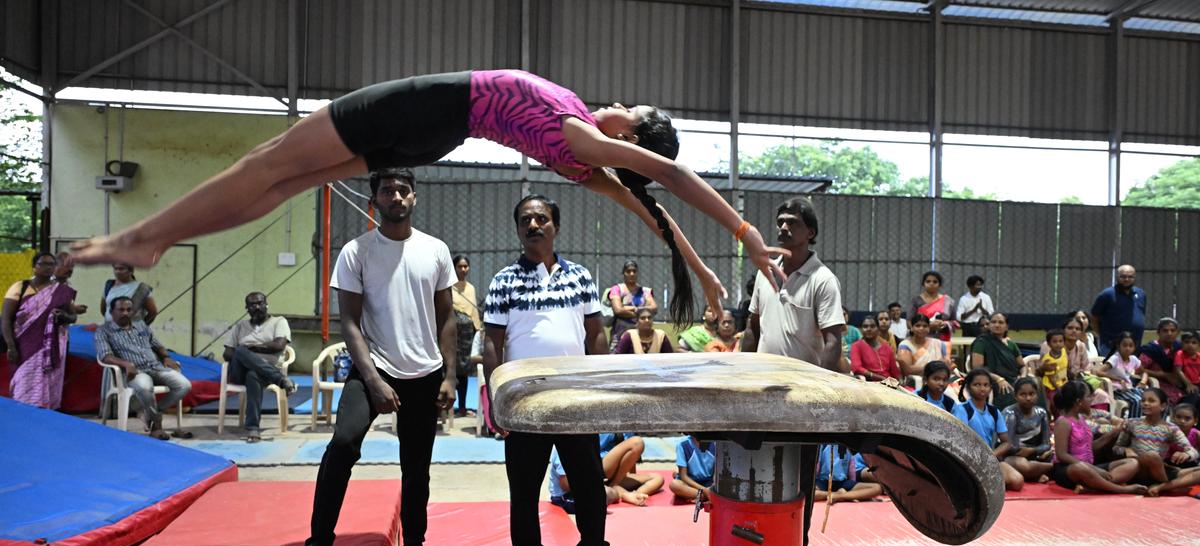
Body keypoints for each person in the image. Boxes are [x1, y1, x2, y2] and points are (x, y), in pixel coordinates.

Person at [68, 70, 790, 328]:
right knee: (289, 178)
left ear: (632, 137)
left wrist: (746, 231)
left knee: (271, 160)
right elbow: (663, 218)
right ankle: (155, 238)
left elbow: (670, 185)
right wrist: (708, 273)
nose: (617, 107)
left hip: (430, 107)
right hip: (434, 133)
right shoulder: (588, 166)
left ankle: (149, 233)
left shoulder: (586, 140)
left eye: (628, 114)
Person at [294, 168, 457, 546]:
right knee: (343, 444)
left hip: (425, 372)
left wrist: (449, 375)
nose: (396, 196)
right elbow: (348, 321)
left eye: (403, 190)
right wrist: (373, 380)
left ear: (414, 198)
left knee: (416, 466)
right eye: (387, 190)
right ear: (375, 201)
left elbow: (447, 318)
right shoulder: (357, 251)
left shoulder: (435, 250)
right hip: (373, 369)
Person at [482, 194, 620, 546]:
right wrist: (496, 399)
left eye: (542, 218)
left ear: (555, 226)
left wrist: (601, 387)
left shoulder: (580, 276)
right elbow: (493, 344)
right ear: (518, 228)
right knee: (523, 490)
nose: (534, 225)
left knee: (589, 486)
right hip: (525, 402)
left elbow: (596, 333)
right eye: (526, 219)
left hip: (575, 398)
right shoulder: (503, 281)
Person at [738, 196, 844, 546]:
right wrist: (739, 376)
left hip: (801, 394)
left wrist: (819, 391)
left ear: (810, 233)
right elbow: (751, 327)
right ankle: (754, 540)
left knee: (799, 474)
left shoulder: (823, 280)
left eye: (792, 223)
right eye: (780, 221)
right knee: (756, 466)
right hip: (761, 390)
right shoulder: (766, 272)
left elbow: (834, 340)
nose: (783, 228)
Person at [95, 296, 192, 439]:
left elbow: (158, 345)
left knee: (184, 385)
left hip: (156, 367)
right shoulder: (104, 331)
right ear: (111, 311)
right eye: (121, 310)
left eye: (129, 310)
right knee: (145, 388)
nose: (125, 313)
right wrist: (126, 364)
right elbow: (105, 356)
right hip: (135, 372)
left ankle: (151, 413)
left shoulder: (141, 325)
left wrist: (166, 357)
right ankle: (157, 426)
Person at [2, 251, 84, 409]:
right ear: (34, 267)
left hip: (51, 349)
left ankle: (43, 423)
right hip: (23, 347)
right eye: (43, 264)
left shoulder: (62, 291)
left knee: (46, 390)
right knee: (22, 387)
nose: (48, 268)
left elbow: (73, 317)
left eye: (51, 264)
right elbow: (6, 319)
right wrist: (10, 346)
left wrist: (64, 317)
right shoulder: (20, 286)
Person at [223, 292, 298, 442]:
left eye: (260, 303)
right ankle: (282, 380)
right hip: (239, 372)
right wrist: (246, 354)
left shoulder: (278, 322)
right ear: (247, 308)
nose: (257, 307)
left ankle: (253, 428)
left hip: (265, 373)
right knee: (240, 351)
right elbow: (228, 353)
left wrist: (252, 349)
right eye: (252, 305)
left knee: (253, 374)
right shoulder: (240, 326)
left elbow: (278, 345)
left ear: (266, 305)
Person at [1049, 381, 1143, 495]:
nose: (1092, 399)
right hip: (1067, 469)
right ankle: (1120, 489)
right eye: (1089, 396)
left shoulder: (1081, 419)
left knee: (1133, 463)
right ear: (1079, 402)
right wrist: (1094, 469)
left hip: (1089, 467)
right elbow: (1061, 454)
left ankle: (1094, 486)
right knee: (1081, 468)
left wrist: (1112, 433)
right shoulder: (1063, 422)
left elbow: (1089, 447)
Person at [953, 368, 1023, 491]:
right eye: (977, 385)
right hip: (968, 459)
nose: (982, 388)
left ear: (991, 388)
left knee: (1018, 481)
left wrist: (992, 455)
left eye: (986, 385)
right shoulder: (962, 409)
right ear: (968, 387)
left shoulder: (994, 411)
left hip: (990, 458)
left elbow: (1006, 442)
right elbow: (960, 439)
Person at [1112, 387, 1192, 487]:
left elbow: (1192, 451)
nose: (1145, 403)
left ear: (1163, 406)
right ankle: (1166, 486)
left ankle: (1164, 484)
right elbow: (1116, 448)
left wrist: (1186, 454)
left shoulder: (1171, 428)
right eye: (1143, 400)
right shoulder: (1131, 423)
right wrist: (1125, 450)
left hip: (1156, 472)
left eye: (1151, 401)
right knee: (1152, 456)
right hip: (1135, 469)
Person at [1001, 377, 1053, 484]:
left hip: (1036, 455)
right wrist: (1023, 451)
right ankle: (1051, 469)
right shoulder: (1010, 413)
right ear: (1015, 396)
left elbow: (1046, 444)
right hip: (1014, 456)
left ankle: (1038, 473)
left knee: (1057, 456)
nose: (1028, 398)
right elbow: (1008, 445)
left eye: (1031, 394)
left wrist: (1033, 451)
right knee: (1024, 466)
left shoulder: (1041, 413)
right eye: (1023, 394)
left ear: (1037, 395)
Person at [969, 311, 1023, 409]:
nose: (997, 325)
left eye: (1001, 322)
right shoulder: (982, 342)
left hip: (1014, 379)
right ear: (989, 325)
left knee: (1033, 386)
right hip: (992, 380)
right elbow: (977, 368)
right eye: (993, 322)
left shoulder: (1011, 344)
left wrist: (1022, 377)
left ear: (1006, 326)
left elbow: (1022, 365)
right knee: (1006, 392)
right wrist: (998, 379)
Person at [1090, 264, 1146, 356]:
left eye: (1130, 277)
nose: (1126, 279)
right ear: (1117, 277)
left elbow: (1141, 313)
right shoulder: (1107, 294)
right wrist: (1101, 335)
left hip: (1134, 344)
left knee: (1130, 370)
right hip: (1111, 345)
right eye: (1123, 276)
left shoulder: (1141, 294)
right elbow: (1094, 317)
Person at [451, 254, 482, 417]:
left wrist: (479, 329)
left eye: (466, 266)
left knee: (464, 370)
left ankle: (462, 408)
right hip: (452, 335)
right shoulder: (447, 287)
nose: (463, 269)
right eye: (460, 266)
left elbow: (473, 311)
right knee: (450, 370)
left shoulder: (470, 288)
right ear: (453, 268)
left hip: (467, 335)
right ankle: (446, 408)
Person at [607, 259, 657, 351]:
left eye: (634, 271)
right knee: (615, 360)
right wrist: (641, 313)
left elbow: (654, 308)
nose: (631, 274)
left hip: (641, 336)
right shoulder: (617, 289)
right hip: (620, 334)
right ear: (623, 273)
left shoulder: (645, 291)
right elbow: (618, 310)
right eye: (628, 271)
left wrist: (628, 308)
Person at [1100, 332, 1147, 418]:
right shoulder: (1115, 358)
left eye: (1130, 346)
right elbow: (1099, 372)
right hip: (1116, 390)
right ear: (1119, 346)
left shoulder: (1134, 359)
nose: (1127, 348)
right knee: (1137, 400)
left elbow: (1144, 372)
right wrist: (1118, 379)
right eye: (1125, 345)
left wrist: (1143, 382)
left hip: (1128, 388)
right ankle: (1133, 424)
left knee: (1148, 397)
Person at [812, 444, 882, 503]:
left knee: (877, 488)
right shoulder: (822, 445)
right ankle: (837, 494)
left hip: (842, 483)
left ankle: (840, 496)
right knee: (810, 493)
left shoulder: (848, 447)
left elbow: (851, 468)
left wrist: (853, 484)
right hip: (823, 481)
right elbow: (817, 464)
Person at [1139, 317, 1184, 404]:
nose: (1169, 333)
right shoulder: (1152, 349)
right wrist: (1163, 375)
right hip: (1156, 383)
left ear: (1177, 333)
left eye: (1172, 330)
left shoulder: (1180, 348)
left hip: (1179, 383)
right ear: (1158, 332)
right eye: (1165, 330)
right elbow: (1138, 369)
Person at [897, 314, 952, 382]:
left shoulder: (939, 344)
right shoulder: (905, 345)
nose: (921, 328)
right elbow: (907, 370)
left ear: (929, 328)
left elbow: (947, 365)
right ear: (912, 328)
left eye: (925, 326)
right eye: (918, 325)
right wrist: (937, 366)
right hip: (914, 383)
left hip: (940, 382)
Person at [850, 315, 900, 383]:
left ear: (878, 329)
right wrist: (881, 378)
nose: (869, 329)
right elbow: (857, 368)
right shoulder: (857, 346)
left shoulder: (886, 347)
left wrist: (899, 382)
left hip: (889, 384)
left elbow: (895, 371)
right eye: (865, 326)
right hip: (869, 384)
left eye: (872, 326)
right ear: (861, 329)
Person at [910, 270, 956, 343]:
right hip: (920, 340)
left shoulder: (948, 301)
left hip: (942, 340)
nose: (931, 284)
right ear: (923, 284)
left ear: (939, 284)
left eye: (935, 282)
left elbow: (955, 322)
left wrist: (944, 324)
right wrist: (927, 326)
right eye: (928, 281)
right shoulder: (916, 301)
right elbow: (909, 323)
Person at [668, 434, 716, 503]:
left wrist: (713, 487)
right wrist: (704, 490)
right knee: (674, 484)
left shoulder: (716, 443)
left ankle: (700, 496)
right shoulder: (682, 444)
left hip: (710, 483)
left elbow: (717, 472)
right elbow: (683, 476)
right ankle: (705, 496)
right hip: (690, 483)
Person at [1039, 329, 1069, 413]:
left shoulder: (1063, 351)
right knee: (1056, 402)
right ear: (1049, 344)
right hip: (1052, 386)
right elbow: (1051, 378)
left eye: (1060, 341)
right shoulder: (1048, 360)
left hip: (1063, 382)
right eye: (1055, 342)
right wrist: (1059, 389)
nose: (1058, 344)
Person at [1174, 330, 1200, 408]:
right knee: (1193, 395)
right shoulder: (1180, 354)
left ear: (1198, 345)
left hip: (1197, 383)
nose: (1190, 345)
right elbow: (1178, 370)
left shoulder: (1199, 356)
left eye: (1194, 343)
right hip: (1184, 383)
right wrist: (1188, 384)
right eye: (1187, 342)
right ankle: (1187, 411)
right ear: (1182, 343)